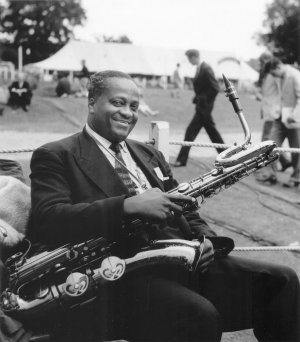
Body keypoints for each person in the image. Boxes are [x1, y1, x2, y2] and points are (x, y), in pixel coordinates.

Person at [28, 70, 300, 342]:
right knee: (199, 315)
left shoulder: (149, 154)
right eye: (118, 103)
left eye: (134, 106)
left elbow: (187, 206)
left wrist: (205, 239)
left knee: (281, 281)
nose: (128, 113)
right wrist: (126, 206)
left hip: (183, 260)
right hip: (123, 274)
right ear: (91, 103)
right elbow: (49, 218)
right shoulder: (55, 155)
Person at [173, 49, 225, 167]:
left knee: (190, 132)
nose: (189, 61)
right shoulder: (200, 68)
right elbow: (204, 88)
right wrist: (197, 98)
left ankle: (181, 160)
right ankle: (226, 156)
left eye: (189, 58)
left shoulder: (206, 68)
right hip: (202, 108)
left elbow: (215, 88)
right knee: (213, 134)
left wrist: (203, 100)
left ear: (194, 57)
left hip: (204, 109)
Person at [254, 52, 291, 183]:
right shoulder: (265, 73)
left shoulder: (274, 74)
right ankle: (284, 161)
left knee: (268, 141)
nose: (260, 64)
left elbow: (281, 90)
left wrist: (279, 108)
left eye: (262, 61)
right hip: (268, 110)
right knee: (269, 141)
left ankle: (269, 172)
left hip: (273, 111)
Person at [265, 57, 300, 187]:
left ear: (278, 67)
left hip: (294, 120)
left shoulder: (295, 76)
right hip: (280, 118)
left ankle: (296, 178)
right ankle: (271, 175)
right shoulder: (279, 77)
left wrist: (295, 115)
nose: (273, 76)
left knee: (296, 150)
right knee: (271, 145)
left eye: (273, 73)